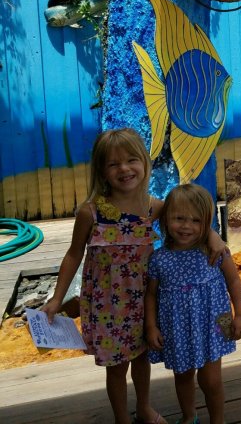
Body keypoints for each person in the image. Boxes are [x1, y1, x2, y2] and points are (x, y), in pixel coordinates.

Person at [41, 128, 228, 424]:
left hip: (146, 298)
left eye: (131, 160)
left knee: (142, 357)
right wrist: (57, 298)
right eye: (114, 164)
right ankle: (122, 418)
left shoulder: (154, 208)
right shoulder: (90, 213)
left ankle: (143, 407)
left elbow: (190, 217)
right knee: (116, 367)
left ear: (143, 162)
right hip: (107, 304)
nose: (124, 169)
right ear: (102, 171)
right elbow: (73, 254)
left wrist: (214, 238)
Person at [145, 184, 241, 424]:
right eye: (179, 218)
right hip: (177, 329)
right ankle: (189, 416)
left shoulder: (215, 251)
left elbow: (234, 281)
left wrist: (240, 314)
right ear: (166, 219)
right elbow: (150, 295)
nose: (187, 226)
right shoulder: (159, 259)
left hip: (212, 325)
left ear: (207, 223)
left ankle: (217, 419)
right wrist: (151, 327)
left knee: (211, 380)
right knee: (183, 377)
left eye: (195, 220)